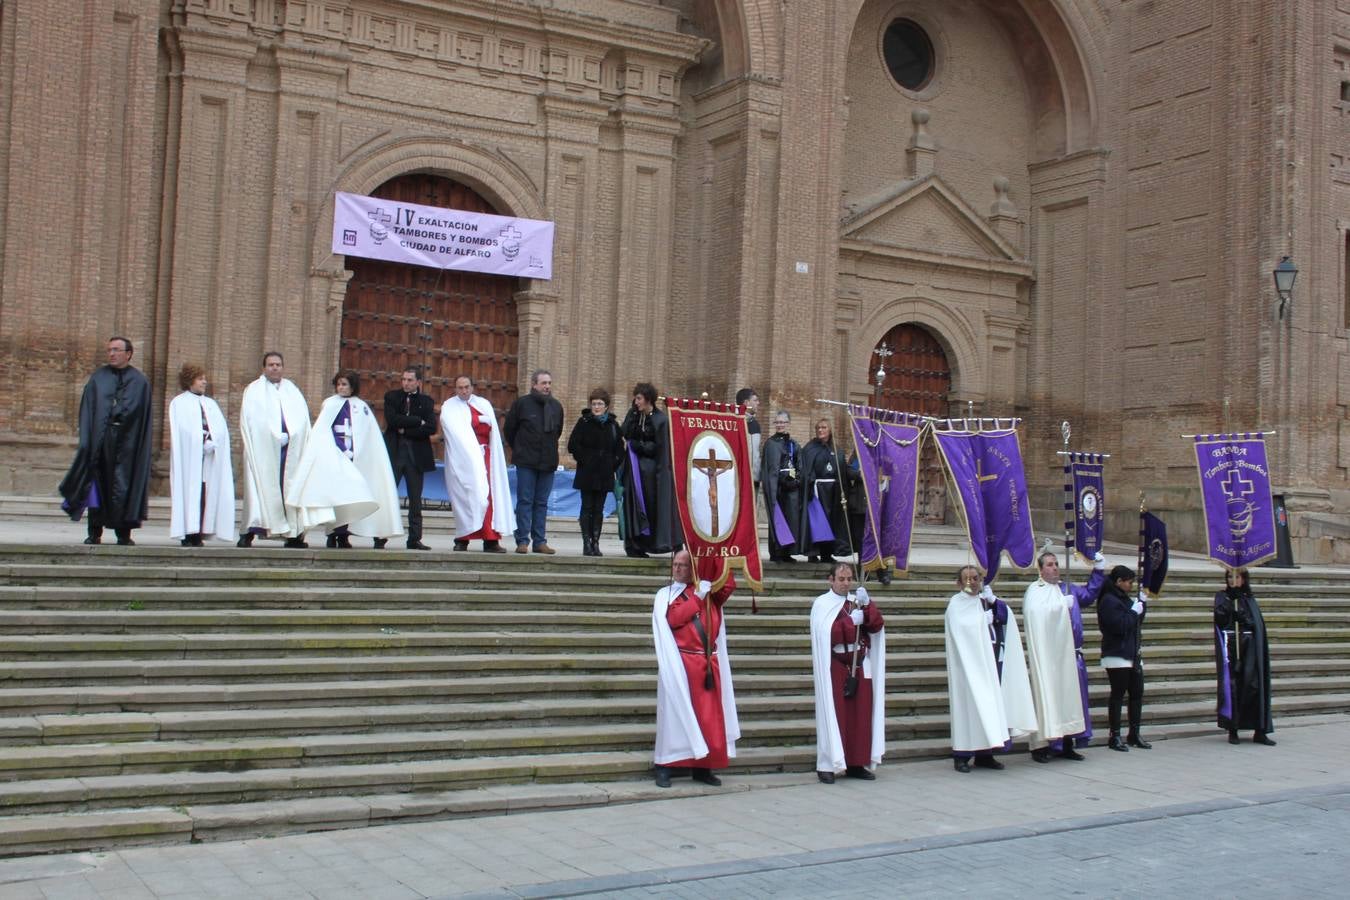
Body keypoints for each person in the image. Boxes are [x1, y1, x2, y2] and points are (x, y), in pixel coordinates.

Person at [651, 549, 739, 788]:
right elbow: (674, 619)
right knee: (674, 718)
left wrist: (714, 549)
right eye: (676, 564)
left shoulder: (710, 593)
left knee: (708, 719)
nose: (678, 569)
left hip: (707, 664)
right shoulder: (666, 595)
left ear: (694, 569)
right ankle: (665, 765)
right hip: (680, 664)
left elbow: (728, 584)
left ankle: (703, 766)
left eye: (683, 565)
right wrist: (697, 598)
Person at [287, 371, 403, 549]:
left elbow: (367, 435)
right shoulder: (330, 404)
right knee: (334, 498)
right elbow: (321, 433)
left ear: (353, 387)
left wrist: (358, 453)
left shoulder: (362, 407)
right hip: (332, 459)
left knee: (349, 499)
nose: (341, 388)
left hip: (355, 461)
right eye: (339, 384)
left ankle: (343, 535)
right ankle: (332, 534)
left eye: (345, 384)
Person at [59, 336, 153, 546]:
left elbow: (141, 416)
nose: (111, 353)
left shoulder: (140, 382)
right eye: (109, 350)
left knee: (124, 486)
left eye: (116, 350)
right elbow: (90, 409)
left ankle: (124, 533)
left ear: (128, 354)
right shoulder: (98, 378)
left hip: (127, 443)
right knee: (97, 486)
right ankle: (94, 532)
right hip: (101, 443)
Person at [944, 567, 1037, 773]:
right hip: (967, 669)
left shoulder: (985, 600)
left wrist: (994, 604)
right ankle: (962, 755)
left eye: (976, 578)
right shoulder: (956, 604)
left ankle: (985, 754)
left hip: (990, 664)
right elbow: (961, 629)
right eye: (968, 579)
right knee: (969, 710)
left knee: (990, 707)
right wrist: (980, 621)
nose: (973, 582)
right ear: (959, 583)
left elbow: (1005, 618)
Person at [1021, 549, 1106, 762]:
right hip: (1049, 657)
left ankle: (1067, 743)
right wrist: (1061, 606)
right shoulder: (1035, 591)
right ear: (1040, 570)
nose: (1055, 567)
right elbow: (1035, 615)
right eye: (1049, 564)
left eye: (1056, 563)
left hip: (1070, 656)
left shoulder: (1067, 588)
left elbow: (1088, 595)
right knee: (1048, 697)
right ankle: (1041, 747)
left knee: (1070, 700)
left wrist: (1098, 570)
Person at [810, 562, 885, 783]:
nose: (846, 583)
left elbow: (876, 625)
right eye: (841, 579)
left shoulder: (856, 602)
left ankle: (856, 762)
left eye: (849, 579)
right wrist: (850, 622)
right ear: (831, 580)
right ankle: (828, 764)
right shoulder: (822, 604)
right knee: (836, 713)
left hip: (859, 663)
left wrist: (868, 605)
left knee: (860, 716)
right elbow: (827, 635)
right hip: (837, 664)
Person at [237, 351, 311, 548]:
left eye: (278, 364)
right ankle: (249, 532)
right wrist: (273, 437)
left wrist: (293, 435)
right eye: (271, 365)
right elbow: (252, 420)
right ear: (264, 368)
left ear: (283, 367)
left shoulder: (292, 390)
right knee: (259, 489)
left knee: (291, 489)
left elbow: (303, 419)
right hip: (264, 451)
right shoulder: (253, 391)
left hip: (290, 452)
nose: (275, 368)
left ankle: (294, 535)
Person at [440, 375, 512, 552]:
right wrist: (478, 420)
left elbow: (490, 428)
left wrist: (480, 423)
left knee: (486, 496)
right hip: (462, 459)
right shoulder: (449, 406)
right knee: (464, 497)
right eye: (460, 387)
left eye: (466, 387)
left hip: (485, 456)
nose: (463, 391)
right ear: (455, 389)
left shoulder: (483, 404)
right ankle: (463, 538)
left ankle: (490, 539)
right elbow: (454, 428)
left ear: (472, 387)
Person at [167, 364, 236, 546]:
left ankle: (199, 533)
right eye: (200, 378)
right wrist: (200, 441)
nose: (204, 381)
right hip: (190, 459)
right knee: (190, 493)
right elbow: (183, 431)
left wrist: (214, 441)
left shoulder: (210, 404)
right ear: (190, 381)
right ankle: (187, 533)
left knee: (204, 496)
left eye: (204, 378)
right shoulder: (179, 403)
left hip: (208, 460)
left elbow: (220, 429)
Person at [504, 369, 564, 555]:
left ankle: (540, 541)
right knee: (525, 501)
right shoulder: (522, 404)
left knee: (541, 503)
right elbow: (510, 430)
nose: (547, 386)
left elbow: (558, 431)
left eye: (549, 383)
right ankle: (522, 540)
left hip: (548, 461)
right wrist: (521, 448)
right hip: (526, 461)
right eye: (543, 383)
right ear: (534, 384)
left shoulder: (556, 406)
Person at [1214, 568, 1275, 745]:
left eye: (1237, 577)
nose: (1233, 580)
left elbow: (1255, 623)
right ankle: (1233, 729)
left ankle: (1260, 730)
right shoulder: (1222, 597)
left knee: (1255, 686)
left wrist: (1244, 618)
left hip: (1250, 648)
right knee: (1234, 686)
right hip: (1232, 647)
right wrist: (1229, 609)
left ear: (1244, 579)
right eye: (1229, 577)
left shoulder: (1249, 598)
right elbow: (1219, 618)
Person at [620, 383, 681, 558]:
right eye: (635, 398)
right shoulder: (635, 415)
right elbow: (624, 432)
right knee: (633, 506)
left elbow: (659, 448)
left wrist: (638, 445)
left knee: (649, 506)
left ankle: (652, 543)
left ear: (648, 399)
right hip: (633, 470)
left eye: (639, 398)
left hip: (650, 472)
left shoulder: (660, 420)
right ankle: (634, 545)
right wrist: (632, 415)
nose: (636, 401)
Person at [382, 367, 437, 551]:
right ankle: (380, 535)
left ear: (418, 382)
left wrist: (407, 429)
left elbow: (430, 428)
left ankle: (414, 538)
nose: (405, 383)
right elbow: (392, 420)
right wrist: (416, 421)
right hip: (395, 453)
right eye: (403, 379)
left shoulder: (427, 402)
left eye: (410, 380)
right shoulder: (391, 397)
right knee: (388, 496)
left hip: (415, 457)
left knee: (415, 500)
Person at [1097, 565, 1151, 751]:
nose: (1131, 585)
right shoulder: (1109, 601)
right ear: (1119, 582)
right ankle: (1115, 735)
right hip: (1117, 654)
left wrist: (1142, 606)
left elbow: (1135, 623)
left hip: (1132, 653)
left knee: (1137, 694)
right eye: (1129, 582)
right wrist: (1133, 612)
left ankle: (1134, 733)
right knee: (1118, 695)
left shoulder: (1123, 599)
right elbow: (1120, 626)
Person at [566, 388, 623, 557]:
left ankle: (595, 542)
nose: (596, 407)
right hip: (587, 472)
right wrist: (586, 459)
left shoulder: (613, 425)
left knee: (599, 509)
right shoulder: (584, 422)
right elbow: (573, 445)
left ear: (606, 406)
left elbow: (620, 449)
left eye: (600, 404)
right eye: (594, 404)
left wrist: (612, 463)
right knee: (587, 507)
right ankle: (586, 543)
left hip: (604, 473)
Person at [799, 418, 853, 564]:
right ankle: (813, 553)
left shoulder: (836, 449)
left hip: (833, 493)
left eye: (823, 428)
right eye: (818, 428)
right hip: (817, 491)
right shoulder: (810, 448)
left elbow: (842, 470)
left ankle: (827, 554)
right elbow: (806, 469)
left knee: (831, 523)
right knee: (816, 523)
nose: (820, 430)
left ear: (830, 430)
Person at [761, 410, 805, 563]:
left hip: (791, 489)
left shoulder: (794, 444)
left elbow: (799, 465)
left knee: (791, 520)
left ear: (788, 424)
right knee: (777, 519)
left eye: (783, 422)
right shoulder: (770, 443)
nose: (780, 425)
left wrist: (796, 481)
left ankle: (787, 552)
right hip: (777, 489)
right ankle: (777, 552)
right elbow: (769, 469)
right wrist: (778, 482)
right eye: (777, 422)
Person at [735, 388, 761, 488]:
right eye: (755, 400)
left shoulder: (755, 424)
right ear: (746, 403)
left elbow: (755, 453)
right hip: (739, 480)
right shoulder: (734, 422)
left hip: (754, 480)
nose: (758, 403)